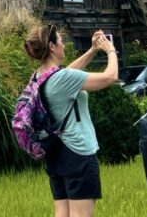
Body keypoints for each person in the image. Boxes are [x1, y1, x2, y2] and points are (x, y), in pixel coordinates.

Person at [23, 24, 119, 217]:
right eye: (61, 41)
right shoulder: (62, 78)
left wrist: (92, 50)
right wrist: (110, 50)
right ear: (52, 46)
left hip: (56, 152)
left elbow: (67, 72)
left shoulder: (38, 76)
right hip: (78, 151)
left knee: (62, 213)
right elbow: (110, 77)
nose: (64, 45)